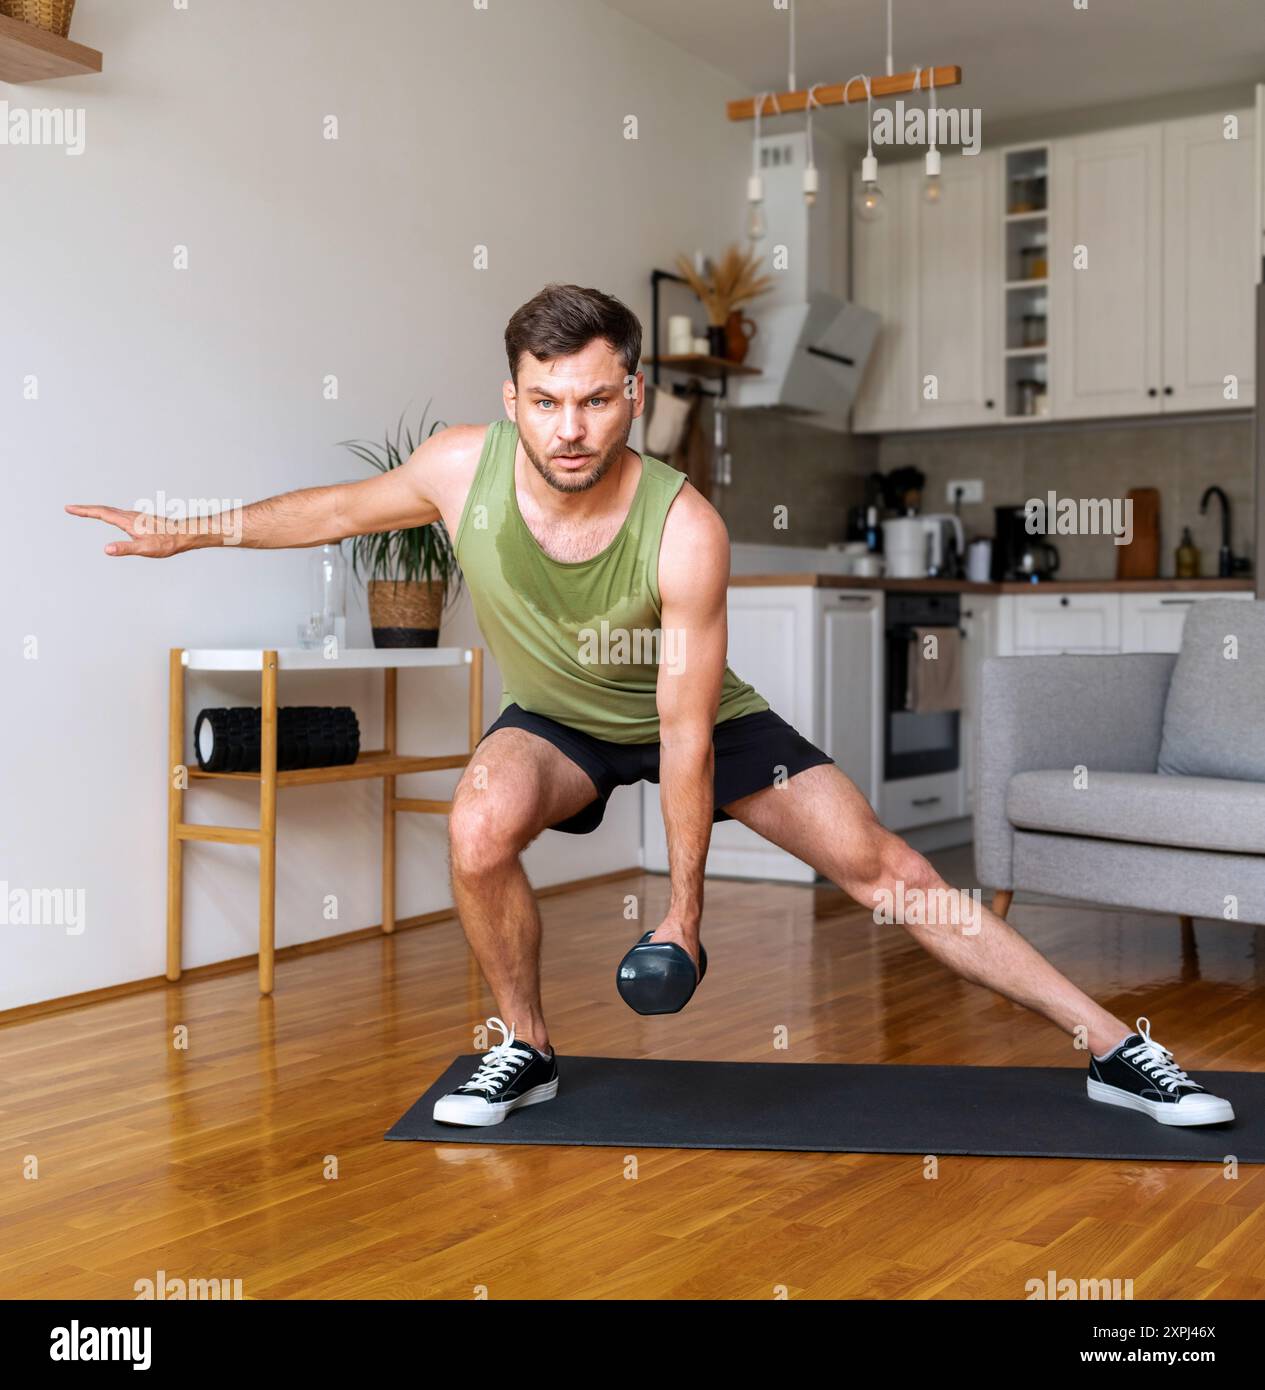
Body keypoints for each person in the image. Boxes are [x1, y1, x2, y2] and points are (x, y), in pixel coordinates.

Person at [67, 282, 1235, 1132]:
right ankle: (524, 1048)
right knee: (474, 825)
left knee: (890, 870)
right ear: (509, 397)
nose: (568, 429)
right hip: (558, 722)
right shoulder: (454, 466)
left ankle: (1110, 1047)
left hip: (703, 721)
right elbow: (332, 509)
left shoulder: (682, 525)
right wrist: (195, 527)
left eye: (591, 401)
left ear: (633, 392)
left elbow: (682, 732)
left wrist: (681, 915)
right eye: (543, 402)